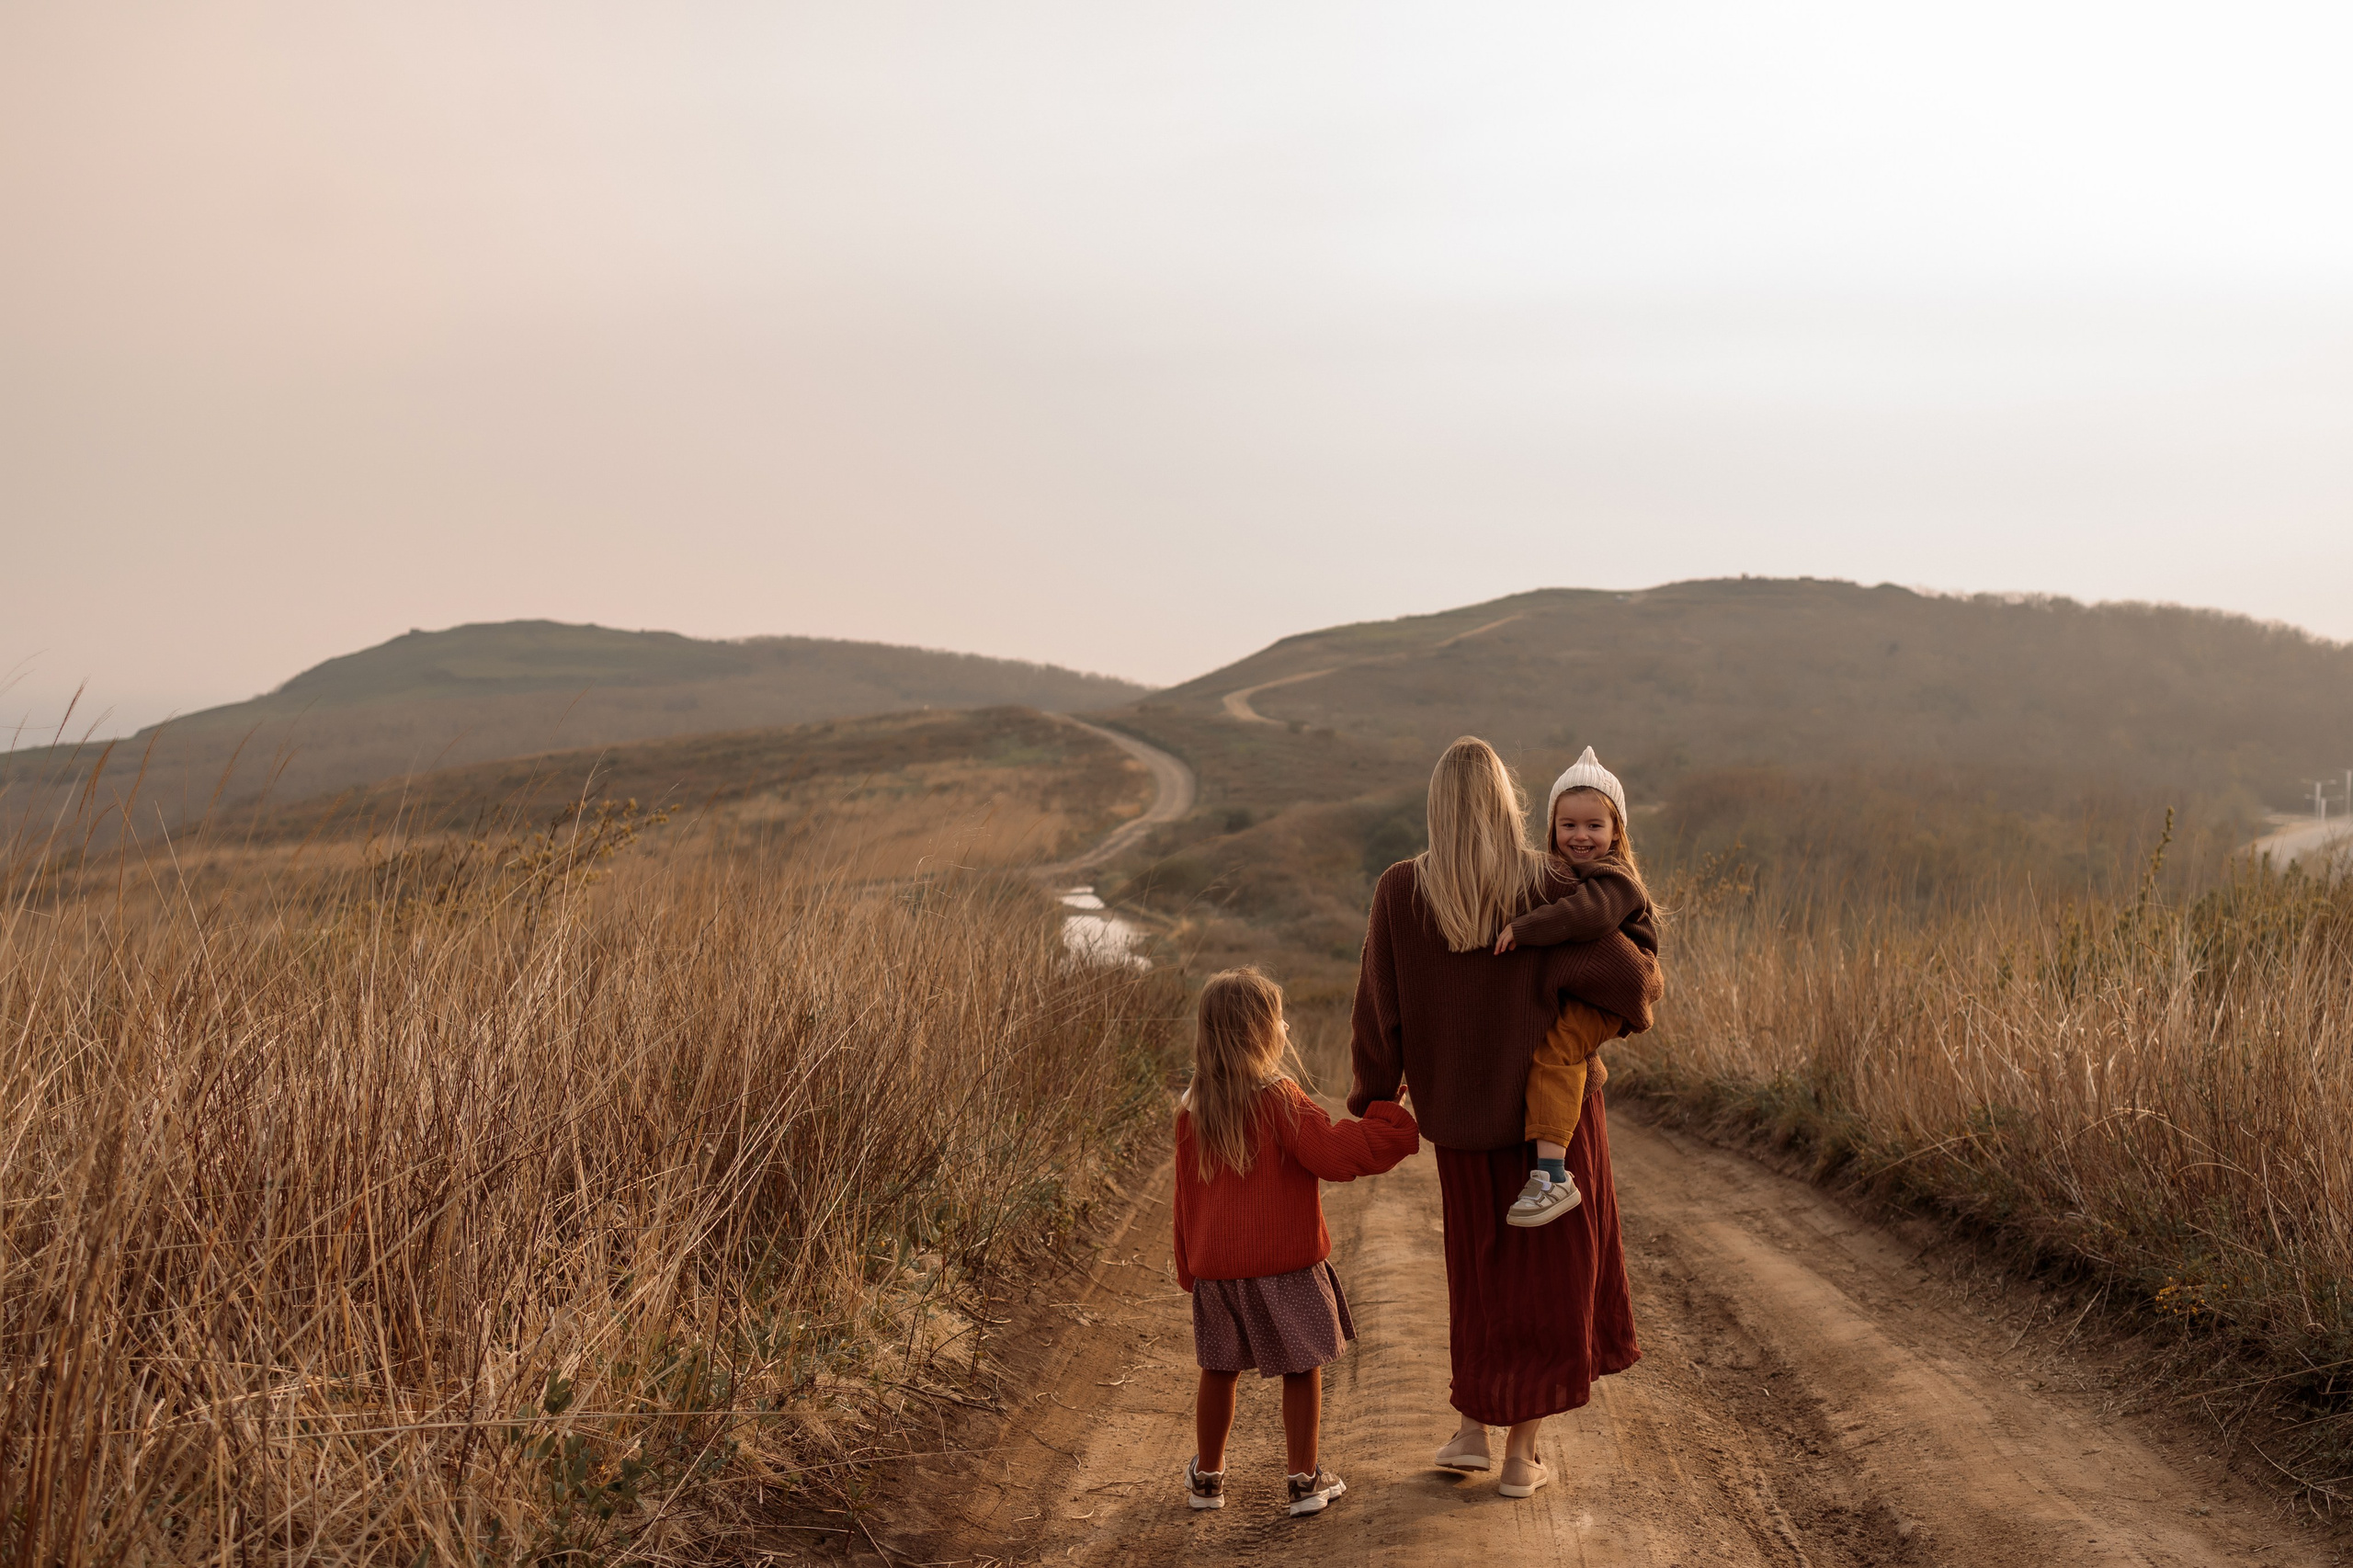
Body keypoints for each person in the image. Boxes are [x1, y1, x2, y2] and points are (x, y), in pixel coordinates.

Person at [1349, 737, 1660, 1498]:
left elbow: (1378, 1011)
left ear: (1436, 807)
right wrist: (1603, 1016)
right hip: (1547, 1123)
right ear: (1509, 804)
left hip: (1460, 1126)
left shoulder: (1400, 890)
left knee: (1481, 1280)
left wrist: (1374, 1098)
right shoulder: (1546, 883)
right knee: (1550, 1281)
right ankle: (1520, 1457)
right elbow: (1634, 980)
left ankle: (1470, 1430)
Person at [1176, 967, 1421, 1517]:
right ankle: (1304, 1483)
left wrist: (1189, 1267)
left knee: (1217, 1368)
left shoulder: (1193, 1109)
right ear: (1261, 1033)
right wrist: (1392, 1120)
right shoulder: (1280, 1097)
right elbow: (1334, 1154)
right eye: (1277, 1018)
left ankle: (1207, 1481)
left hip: (1217, 1271)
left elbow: (1184, 1200)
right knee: (1300, 1366)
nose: (1285, 1025)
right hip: (1286, 1264)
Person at [1491, 746, 1660, 1228]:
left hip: (1611, 991)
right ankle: (1549, 1169)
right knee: (1557, 1050)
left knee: (1555, 1054)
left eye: (1594, 826)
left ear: (1616, 832)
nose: (1581, 836)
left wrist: (1526, 928)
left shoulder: (1617, 880)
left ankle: (1553, 1176)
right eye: (1569, 826)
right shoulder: (1568, 875)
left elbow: (1586, 916)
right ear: (1552, 829)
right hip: (1592, 989)